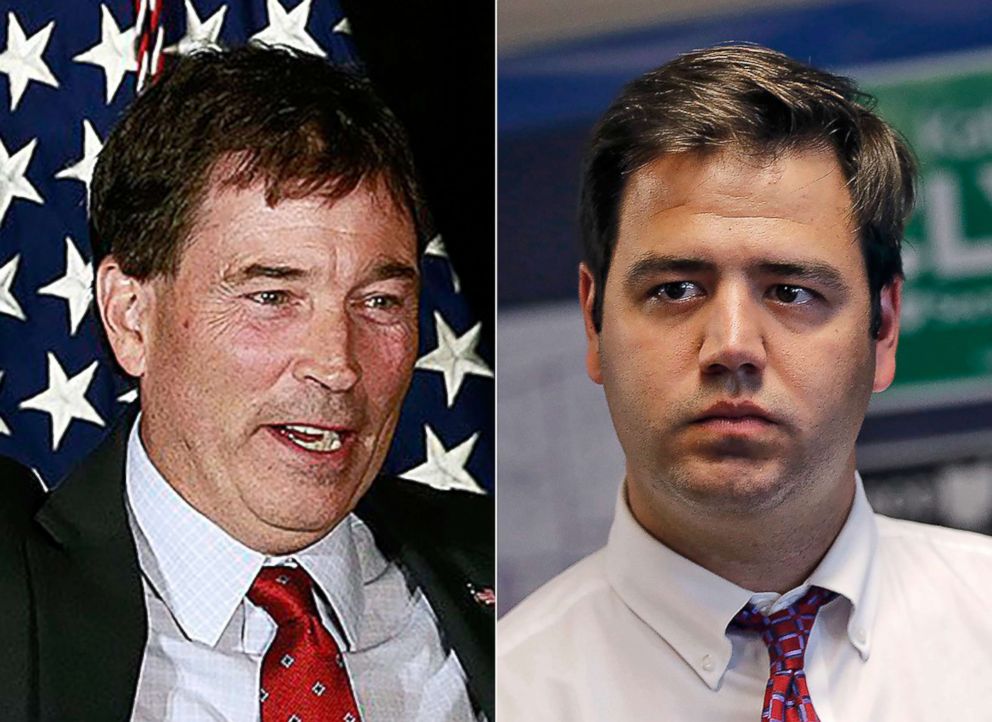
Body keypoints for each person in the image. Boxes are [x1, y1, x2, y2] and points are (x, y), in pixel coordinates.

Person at [498, 43, 992, 721]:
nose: (732, 345)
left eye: (790, 291)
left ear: (883, 328)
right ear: (593, 322)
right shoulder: (500, 694)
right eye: (675, 289)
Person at [0, 45, 492, 722]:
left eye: (378, 302)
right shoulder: (16, 598)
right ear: (130, 315)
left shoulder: (517, 576)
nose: (336, 364)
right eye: (271, 296)